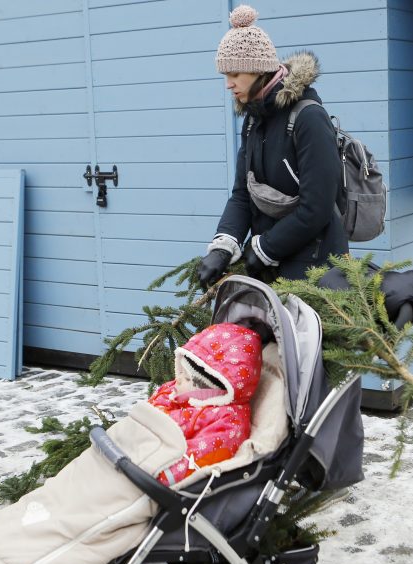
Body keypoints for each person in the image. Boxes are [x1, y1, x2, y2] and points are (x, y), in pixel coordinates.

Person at [197, 5, 349, 290]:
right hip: (270, 267)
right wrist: (224, 245)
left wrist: (266, 247)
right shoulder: (254, 120)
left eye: (234, 74)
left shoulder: (308, 118)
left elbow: (316, 208)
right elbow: (243, 193)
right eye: (224, 75)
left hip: (318, 272)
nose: (228, 84)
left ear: (259, 69)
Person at [147, 322, 262, 486]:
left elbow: (197, 460)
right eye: (181, 372)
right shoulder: (177, 391)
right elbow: (149, 411)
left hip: (156, 472)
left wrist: (155, 474)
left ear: (210, 389)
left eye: (187, 378)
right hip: (143, 448)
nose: (177, 379)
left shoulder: (228, 423)